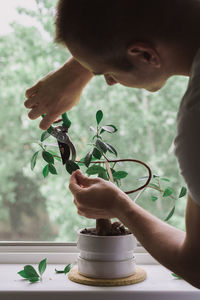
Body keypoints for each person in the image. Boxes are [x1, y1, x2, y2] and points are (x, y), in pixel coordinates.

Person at [24, 0, 200, 288]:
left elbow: (196, 264)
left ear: (144, 54)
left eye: (105, 73)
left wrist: (121, 207)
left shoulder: (196, 124)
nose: (109, 82)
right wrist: (79, 70)